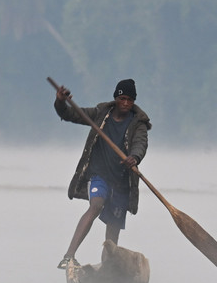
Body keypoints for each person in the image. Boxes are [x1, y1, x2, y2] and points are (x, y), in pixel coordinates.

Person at [53, 78, 151, 269]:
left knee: (112, 231)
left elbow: (141, 144)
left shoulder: (138, 123)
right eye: (122, 98)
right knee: (96, 205)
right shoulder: (100, 114)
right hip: (99, 176)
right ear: (115, 98)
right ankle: (68, 256)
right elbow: (69, 114)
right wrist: (60, 101)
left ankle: (108, 269)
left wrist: (135, 157)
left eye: (130, 100)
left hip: (121, 182)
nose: (125, 103)